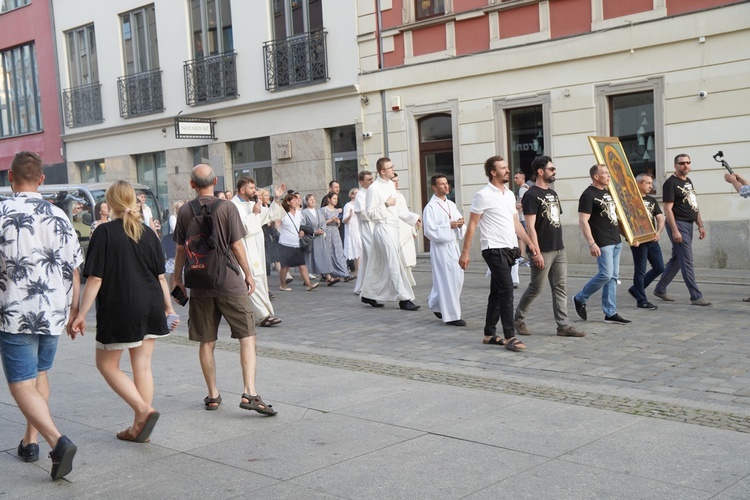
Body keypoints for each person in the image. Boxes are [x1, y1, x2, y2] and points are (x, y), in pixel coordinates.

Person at [70, 180, 176, 444]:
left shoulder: (103, 233)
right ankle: (139, 427)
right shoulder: (149, 233)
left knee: (106, 364)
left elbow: (95, 279)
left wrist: (81, 314)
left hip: (120, 305)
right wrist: (169, 308)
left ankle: (143, 412)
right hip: (150, 302)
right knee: (142, 367)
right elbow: (161, 277)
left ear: (111, 203)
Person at [0, 151, 82, 480]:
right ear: (42, 179)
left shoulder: (2, 211)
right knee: (40, 374)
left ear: (10, 176)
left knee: (21, 382)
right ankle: (29, 441)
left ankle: (56, 441)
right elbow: (75, 268)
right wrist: (76, 312)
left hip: (14, 310)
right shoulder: (60, 216)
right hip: (53, 311)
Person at [173, 164, 277, 416]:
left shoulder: (185, 210)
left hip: (199, 282)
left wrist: (177, 279)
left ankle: (212, 394)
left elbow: (179, 249)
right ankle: (249, 392)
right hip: (229, 282)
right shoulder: (227, 207)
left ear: (191, 184)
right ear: (215, 181)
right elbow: (236, 244)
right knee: (247, 335)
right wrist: (248, 274)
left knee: (206, 341)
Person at [459, 155, 539, 351]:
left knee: (497, 292)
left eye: (507, 167)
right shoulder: (483, 195)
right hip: (492, 248)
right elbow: (472, 225)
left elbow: (515, 224)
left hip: (509, 248)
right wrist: (465, 252)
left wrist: (530, 244)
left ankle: (489, 334)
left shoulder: (510, 195)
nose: (507, 170)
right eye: (503, 168)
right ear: (493, 172)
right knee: (507, 290)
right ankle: (510, 336)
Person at [513, 156, 585, 338]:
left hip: (558, 248)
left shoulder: (552, 194)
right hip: (542, 249)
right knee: (536, 287)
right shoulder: (531, 194)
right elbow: (529, 226)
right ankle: (518, 318)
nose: (555, 172)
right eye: (551, 169)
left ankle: (563, 326)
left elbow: (554, 220)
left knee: (560, 287)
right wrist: (535, 251)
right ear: (540, 171)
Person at [573, 164, 631, 325]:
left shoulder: (608, 193)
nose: (608, 175)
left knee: (613, 277)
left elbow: (615, 218)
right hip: (602, 241)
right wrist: (592, 243)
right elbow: (583, 221)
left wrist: (628, 236)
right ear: (596, 177)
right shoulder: (588, 195)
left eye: (608, 172)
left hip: (615, 240)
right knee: (605, 274)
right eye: (605, 173)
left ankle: (610, 313)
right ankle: (580, 298)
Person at [361, 158, 421, 310]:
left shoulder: (390, 185)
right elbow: (370, 213)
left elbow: (398, 209)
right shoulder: (374, 189)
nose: (393, 169)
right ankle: (404, 299)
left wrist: (413, 218)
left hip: (393, 228)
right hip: (383, 228)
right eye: (390, 167)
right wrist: (386, 204)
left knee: (378, 264)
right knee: (394, 263)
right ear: (382, 171)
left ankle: (368, 294)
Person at [653, 154, 711, 306]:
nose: (685, 165)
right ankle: (696, 296)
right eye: (682, 163)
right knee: (687, 260)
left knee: (678, 259)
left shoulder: (688, 181)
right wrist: (675, 230)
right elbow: (668, 209)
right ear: (675, 166)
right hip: (678, 224)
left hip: (689, 224)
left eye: (688, 163)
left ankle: (660, 289)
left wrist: (700, 225)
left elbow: (694, 205)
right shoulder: (670, 183)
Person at [232, 177, 285, 327]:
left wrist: (277, 198)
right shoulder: (233, 206)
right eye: (251, 188)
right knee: (251, 279)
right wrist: (254, 214)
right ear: (242, 190)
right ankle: (263, 316)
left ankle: (262, 313)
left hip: (257, 247)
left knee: (260, 279)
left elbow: (271, 215)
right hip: (245, 247)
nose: (255, 191)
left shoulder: (251, 203)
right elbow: (241, 229)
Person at [423, 174, 466, 326]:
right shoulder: (430, 207)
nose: (446, 186)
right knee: (447, 280)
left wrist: (460, 224)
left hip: (453, 246)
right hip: (441, 247)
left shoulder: (451, 204)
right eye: (442, 184)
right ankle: (452, 316)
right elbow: (429, 230)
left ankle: (435, 301)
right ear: (434, 187)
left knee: (458, 278)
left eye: (447, 183)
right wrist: (450, 225)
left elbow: (459, 222)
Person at [627, 173, 665, 310]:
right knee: (640, 270)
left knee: (659, 267)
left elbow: (660, 217)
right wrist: (631, 238)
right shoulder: (631, 200)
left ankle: (636, 289)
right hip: (639, 240)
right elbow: (626, 222)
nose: (651, 185)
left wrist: (659, 232)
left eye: (651, 183)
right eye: (648, 183)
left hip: (652, 239)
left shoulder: (652, 200)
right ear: (638, 184)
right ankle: (641, 300)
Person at [278, 192, 319, 292]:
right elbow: (277, 226)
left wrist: (302, 232)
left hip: (297, 243)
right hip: (285, 244)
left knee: (302, 264)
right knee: (285, 266)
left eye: (297, 199)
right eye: (293, 199)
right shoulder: (283, 213)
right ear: (288, 202)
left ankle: (308, 284)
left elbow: (299, 226)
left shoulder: (299, 213)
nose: (296, 201)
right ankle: (283, 285)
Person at [302, 194, 339, 285]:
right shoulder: (304, 213)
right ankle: (306, 278)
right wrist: (314, 232)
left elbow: (323, 223)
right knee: (309, 258)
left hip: (320, 239)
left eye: (314, 199)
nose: (313, 201)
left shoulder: (318, 211)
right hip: (311, 238)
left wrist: (322, 229)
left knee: (324, 256)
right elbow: (303, 226)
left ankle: (328, 277)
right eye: (310, 200)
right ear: (306, 202)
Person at [391, 172, 419, 286]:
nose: (397, 183)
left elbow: (406, 212)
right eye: (394, 181)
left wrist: (412, 228)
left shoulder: (400, 195)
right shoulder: (390, 196)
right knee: (401, 256)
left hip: (406, 227)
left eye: (398, 180)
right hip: (397, 228)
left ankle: (408, 278)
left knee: (409, 254)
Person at [353, 171, 375, 295]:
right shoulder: (360, 195)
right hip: (367, 229)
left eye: (372, 179)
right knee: (372, 257)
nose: (372, 181)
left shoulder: (372, 192)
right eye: (369, 179)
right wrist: (376, 213)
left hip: (375, 226)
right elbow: (362, 213)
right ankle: (368, 286)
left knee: (369, 259)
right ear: (362, 182)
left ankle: (364, 285)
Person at [321, 192, 352, 281]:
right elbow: (321, 222)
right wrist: (330, 220)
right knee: (328, 252)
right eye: (334, 198)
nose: (335, 200)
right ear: (329, 199)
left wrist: (338, 222)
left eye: (336, 199)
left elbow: (338, 223)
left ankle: (344, 273)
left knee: (338, 252)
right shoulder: (324, 210)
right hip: (327, 232)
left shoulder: (336, 210)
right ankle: (328, 273)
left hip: (335, 231)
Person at [342, 188, 362, 277]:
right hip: (353, 229)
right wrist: (350, 215)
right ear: (352, 195)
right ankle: (358, 271)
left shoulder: (361, 204)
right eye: (356, 193)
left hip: (360, 227)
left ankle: (360, 271)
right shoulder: (348, 205)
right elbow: (344, 220)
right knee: (357, 250)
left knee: (361, 250)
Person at [513, 171, 530, 265]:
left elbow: (521, 204)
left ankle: (522, 257)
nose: (515, 180)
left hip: (522, 217)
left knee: (521, 237)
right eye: (514, 178)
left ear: (522, 179)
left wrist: (517, 207)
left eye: (517, 178)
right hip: (524, 217)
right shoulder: (527, 188)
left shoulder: (522, 189)